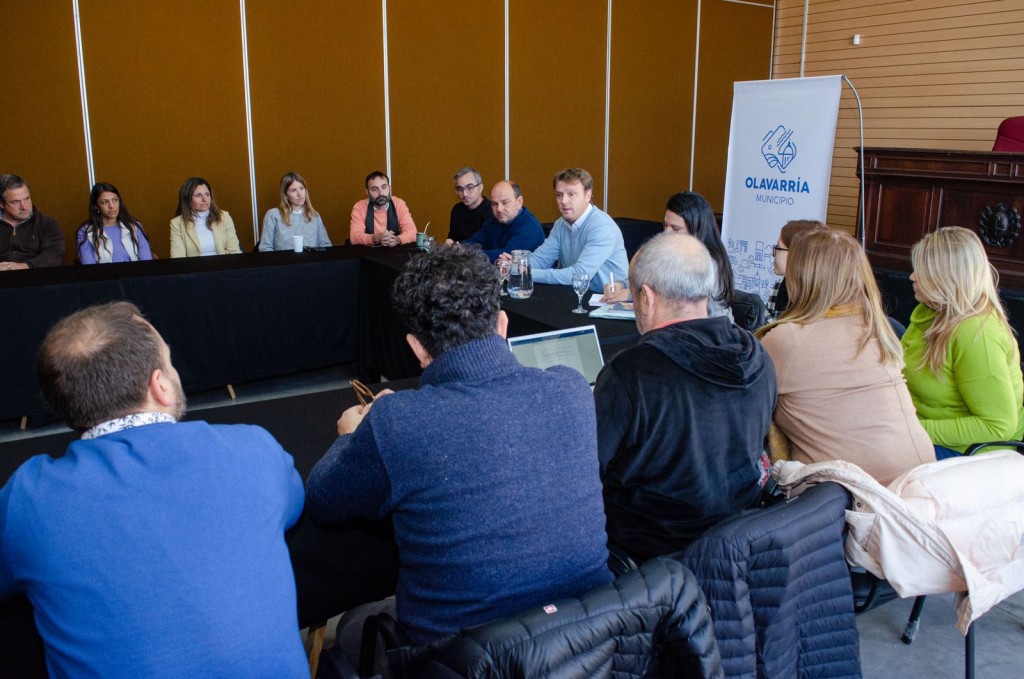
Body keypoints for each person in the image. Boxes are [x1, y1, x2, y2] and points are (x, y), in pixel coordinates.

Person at [306, 246, 611, 645]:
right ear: (503, 325)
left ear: (416, 348)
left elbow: (324, 499)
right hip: (590, 642)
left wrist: (350, 437)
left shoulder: (398, 422)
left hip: (460, 658)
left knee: (350, 628)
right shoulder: (572, 389)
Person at [0, 301, 306, 677]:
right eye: (169, 362)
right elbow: (292, 504)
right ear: (160, 385)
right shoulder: (254, 449)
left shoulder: (28, 498)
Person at [594, 232, 776, 563]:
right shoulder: (757, 355)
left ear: (646, 298)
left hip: (649, 556)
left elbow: (587, 469)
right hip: (736, 547)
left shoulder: (632, 374)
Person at [756, 229, 935, 484]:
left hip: (853, 501)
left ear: (801, 277)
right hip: (919, 481)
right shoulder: (876, 328)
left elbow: (741, 407)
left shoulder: (788, 339)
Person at [902, 226, 1024, 458]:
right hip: (921, 429)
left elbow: (998, 425)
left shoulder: (978, 335)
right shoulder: (930, 311)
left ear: (948, 278)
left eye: (923, 270)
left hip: (969, 453)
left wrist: (910, 430)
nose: (912, 276)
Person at [604, 192, 734, 318]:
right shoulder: (670, 252)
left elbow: (677, 301)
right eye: (665, 226)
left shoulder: (708, 262)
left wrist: (630, 295)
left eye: (675, 229)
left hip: (709, 334)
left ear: (696, 230)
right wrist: (621, 285)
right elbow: (648, 277)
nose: (666, 233)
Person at [515, 167, 627, 293]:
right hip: (576, 296)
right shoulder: (560, 224)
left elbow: (580, 275)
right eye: (559, 195)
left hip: (606, 302)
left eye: (571, 194)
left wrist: (528, 273)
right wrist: (518, 265)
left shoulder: (602, 227)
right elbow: (541, 259)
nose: (564, 201)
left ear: (587, 195)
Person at [456, 179, 544, 261]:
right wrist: (457, 248)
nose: (499, 209)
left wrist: (467, 254)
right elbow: (475, 241)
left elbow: (504, 257)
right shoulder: (493, 221)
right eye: (494, 204)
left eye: (505, 203)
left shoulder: (529, 227)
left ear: (519, 202)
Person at [77, 182, 154, 264]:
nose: (112, 206)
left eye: (115, 200)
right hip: (104, 276)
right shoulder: (86, 231)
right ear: (96, 206)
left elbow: (146, 262)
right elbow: (89, 267)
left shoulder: (134, 226)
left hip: (135, 275)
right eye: (105, 202)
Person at [765, 219, 826, 322]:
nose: (772, 253)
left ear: (797, 254)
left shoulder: (822, 297)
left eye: (778, 248)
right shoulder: (780, 285)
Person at [0, 174, 64, 270]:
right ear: (1, 204)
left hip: (36, 277)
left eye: (27, 199)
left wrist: (24, 266)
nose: (24, 206)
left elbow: (54, 255)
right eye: (15, 202)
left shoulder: (47, 223)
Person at [169, 176, 241, 257]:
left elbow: (234, 252)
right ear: (187, 199)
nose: (204, 199)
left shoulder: (224, 217)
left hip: (223, 267)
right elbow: (178, 260)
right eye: (198, 195)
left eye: (207, 194)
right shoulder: (177, 224)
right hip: (195, 268)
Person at [259, 171, 331, 251]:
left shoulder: (314, 216)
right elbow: (265, 248)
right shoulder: (273, 215)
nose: (299, 194)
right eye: (293, 190)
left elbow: (326, 246)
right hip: (284, 263)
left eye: (301, 188)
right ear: (285, 194)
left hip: (311, 262)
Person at [349, 171, 417, 246]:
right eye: (375, 189)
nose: (380, 193)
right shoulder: (359, 207)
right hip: (369, 253)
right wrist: (375, 238)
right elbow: (354, 238)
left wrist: (397, 240)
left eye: (384, 187)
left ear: (389, 188)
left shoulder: (399, 204)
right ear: (367, 192)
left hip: (395, 252)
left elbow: (413, 233)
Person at [447, 167, 490, 242]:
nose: (464, 194)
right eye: (460, 189)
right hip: (459, 252)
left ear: (480, 188)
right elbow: (452, 238)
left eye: (470, 188)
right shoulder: (457, 210)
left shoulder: (491, 210)